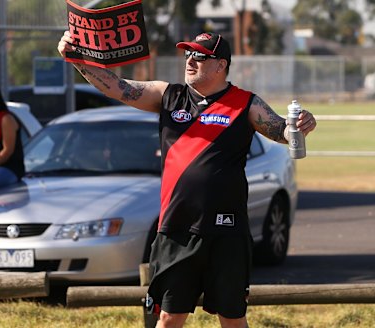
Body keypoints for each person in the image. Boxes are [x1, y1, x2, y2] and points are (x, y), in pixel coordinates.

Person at [58, 31, 317, 328]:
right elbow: (119, 88)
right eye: (188, 55)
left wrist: (299, 125)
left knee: (232, 318)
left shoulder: (245, 103)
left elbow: (281, 131)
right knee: (168, 317)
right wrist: (77, 60)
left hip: (227, 232)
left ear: (221, 65)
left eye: (200, 56)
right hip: (177, 228)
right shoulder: (169, 95)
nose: (191, 61)